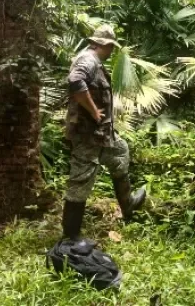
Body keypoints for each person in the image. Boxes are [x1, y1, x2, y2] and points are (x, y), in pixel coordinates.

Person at [60, 24, 147, 241]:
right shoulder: (88, 60)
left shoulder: (94, 61)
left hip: (101, 134)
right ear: (105, 45)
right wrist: (93, 111)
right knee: (81, 180)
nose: (112, 52)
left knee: (120, 151)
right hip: (87, 135)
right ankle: (71, 236)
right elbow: (75, 81)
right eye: (111, 47)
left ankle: (128, 205)